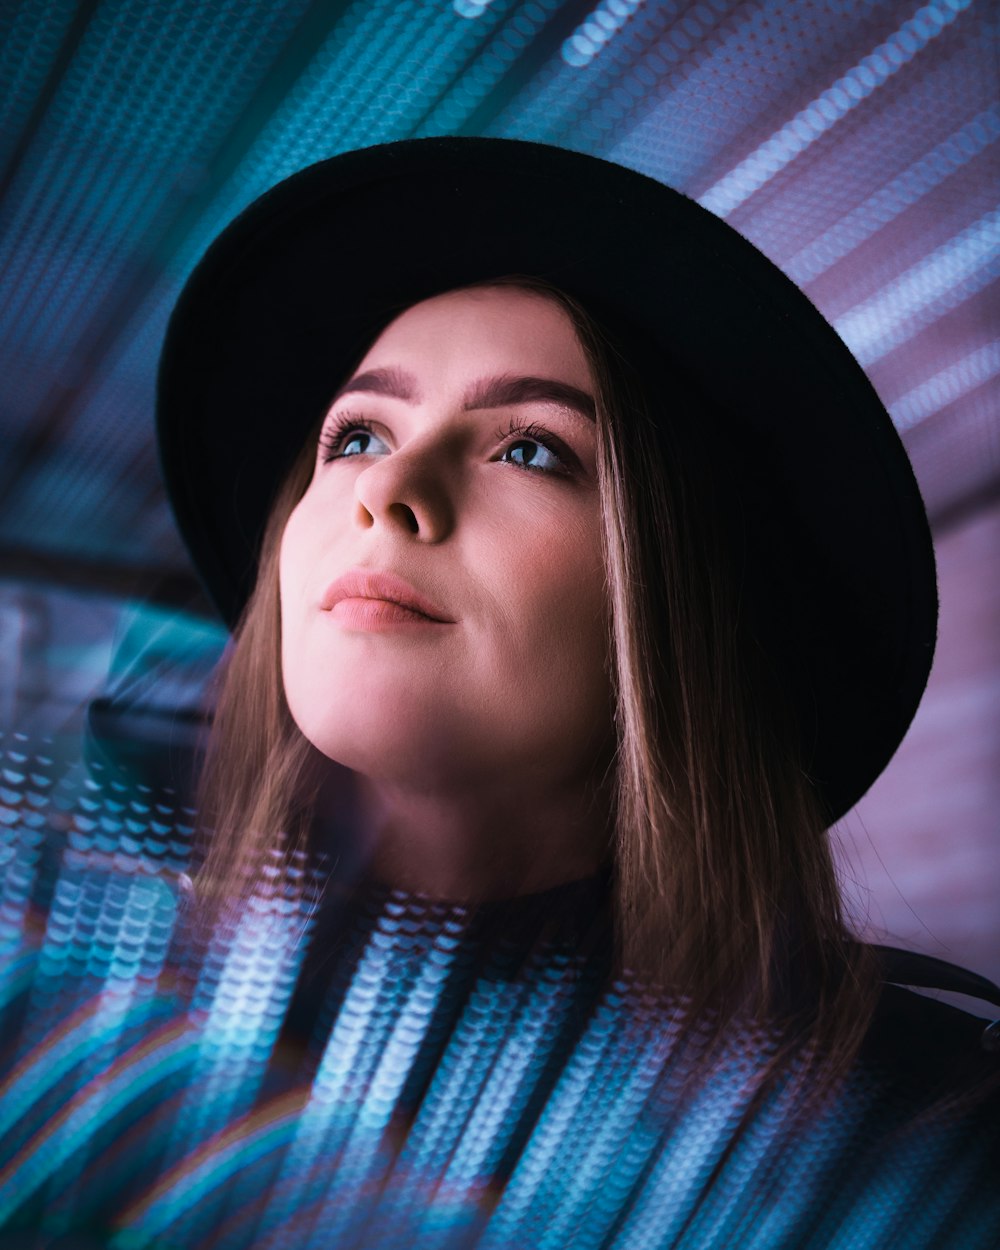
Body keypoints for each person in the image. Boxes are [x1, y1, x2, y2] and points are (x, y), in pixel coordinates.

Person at [1, 136, 997, 1248]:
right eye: (359, 433)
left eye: (530, 449)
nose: (390, 489)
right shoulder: (64, 999)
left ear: (675, 609)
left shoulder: (911, 1148)